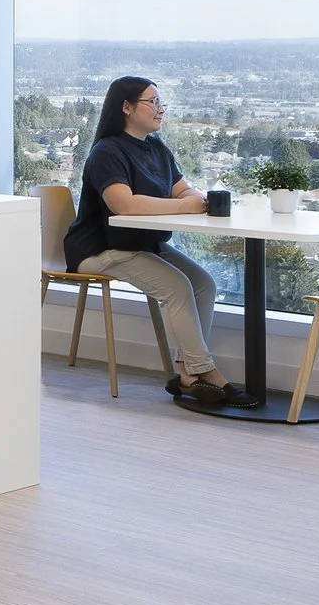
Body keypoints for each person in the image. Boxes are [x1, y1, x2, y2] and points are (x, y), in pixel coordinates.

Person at [64, 75, 256, 408]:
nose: (160, 109)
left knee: (204, 284)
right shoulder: (106, 152)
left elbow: (181, 188)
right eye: (152, 103)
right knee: (177, 287)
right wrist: (184, 205)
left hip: (141, 244)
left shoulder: (155, 148)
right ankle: (209, 374)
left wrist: (197, 198)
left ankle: (186, 373)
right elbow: (123, 204)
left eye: (160, 102)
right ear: (126, 108)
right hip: (102, 248)